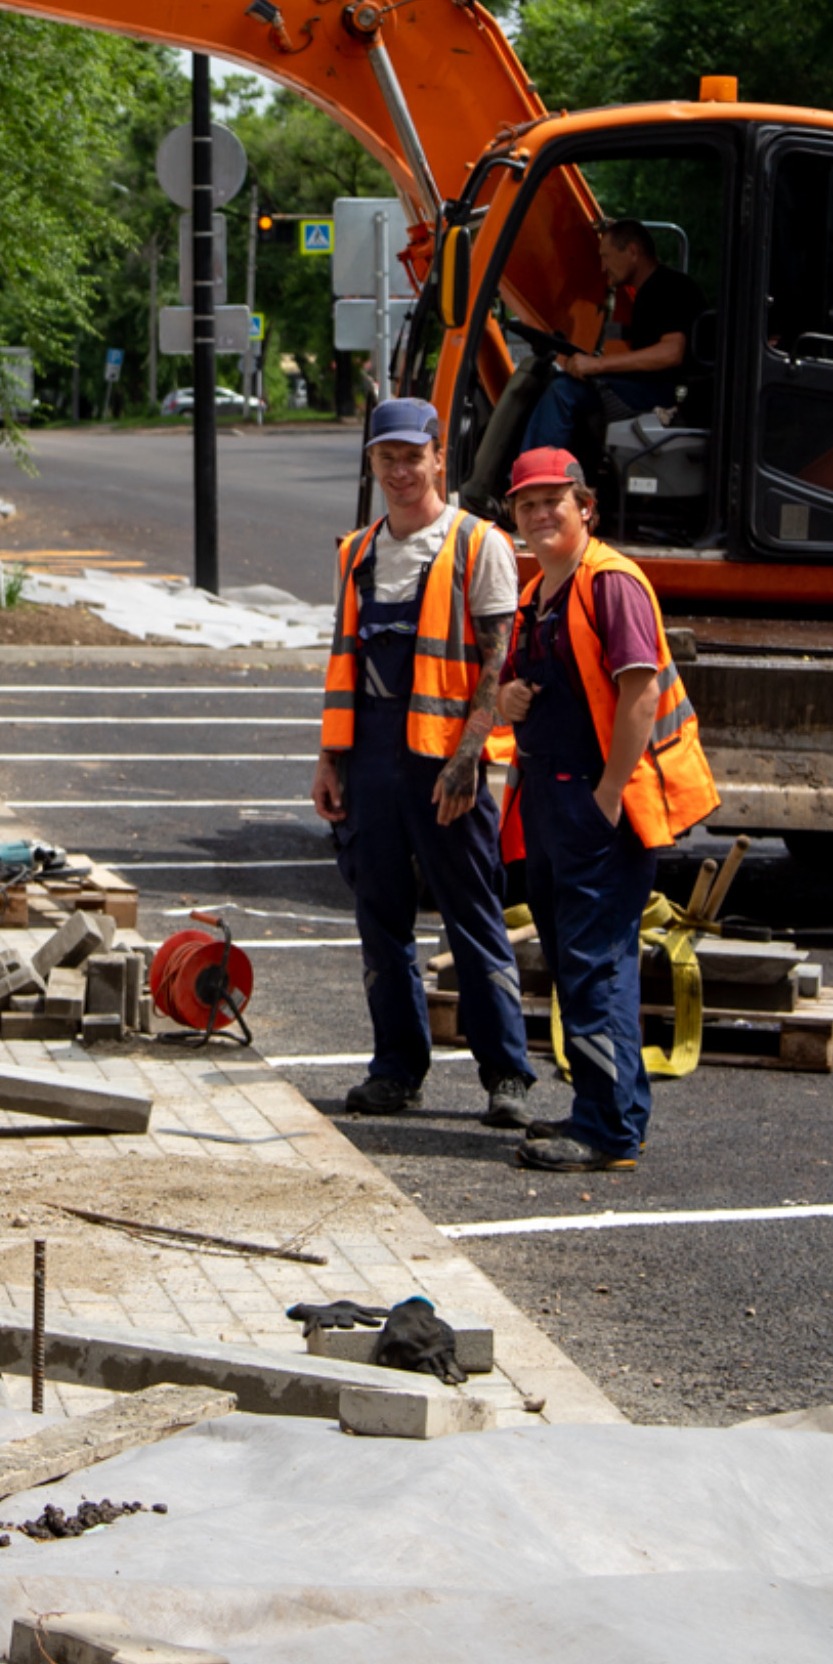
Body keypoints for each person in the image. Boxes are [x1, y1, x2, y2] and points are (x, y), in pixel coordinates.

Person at [309, 398, 544, 1128]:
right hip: (371, 756)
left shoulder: (480, 546)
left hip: (448, 760)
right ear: (373, 463)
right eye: (388, 457)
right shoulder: (358, 552)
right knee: (380, 919)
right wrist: (329, 758)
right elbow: (344, 660)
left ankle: (507, 1074)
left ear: (441, 457)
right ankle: (396, 1070)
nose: (403, 470)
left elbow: (496, 663)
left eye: (415, 455)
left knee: (472, 917)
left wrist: (468, 759)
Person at [486, 446, 721, 1171]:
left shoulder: (611, 583)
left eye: (553, 500)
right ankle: (604, 1110)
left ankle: (609, 1130)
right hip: (556, 801)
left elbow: (640, 693)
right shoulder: (539, 594)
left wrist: (608, 794)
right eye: (527, 505)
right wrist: (508, 698)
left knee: (594, 966)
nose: (539, 513)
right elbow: (529, 687)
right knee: (581, 962)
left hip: (599, 804)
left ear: (584, 505)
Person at [524, 219, 701, 465]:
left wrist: (597, 366)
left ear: (632, 252)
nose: (603, 267)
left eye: (606, 257)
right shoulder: (648, 292)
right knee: (564, 382)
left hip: (667, 393)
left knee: (563, 391)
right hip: (652, 388)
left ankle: (535, 477)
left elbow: (671, 352)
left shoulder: (669, 288)